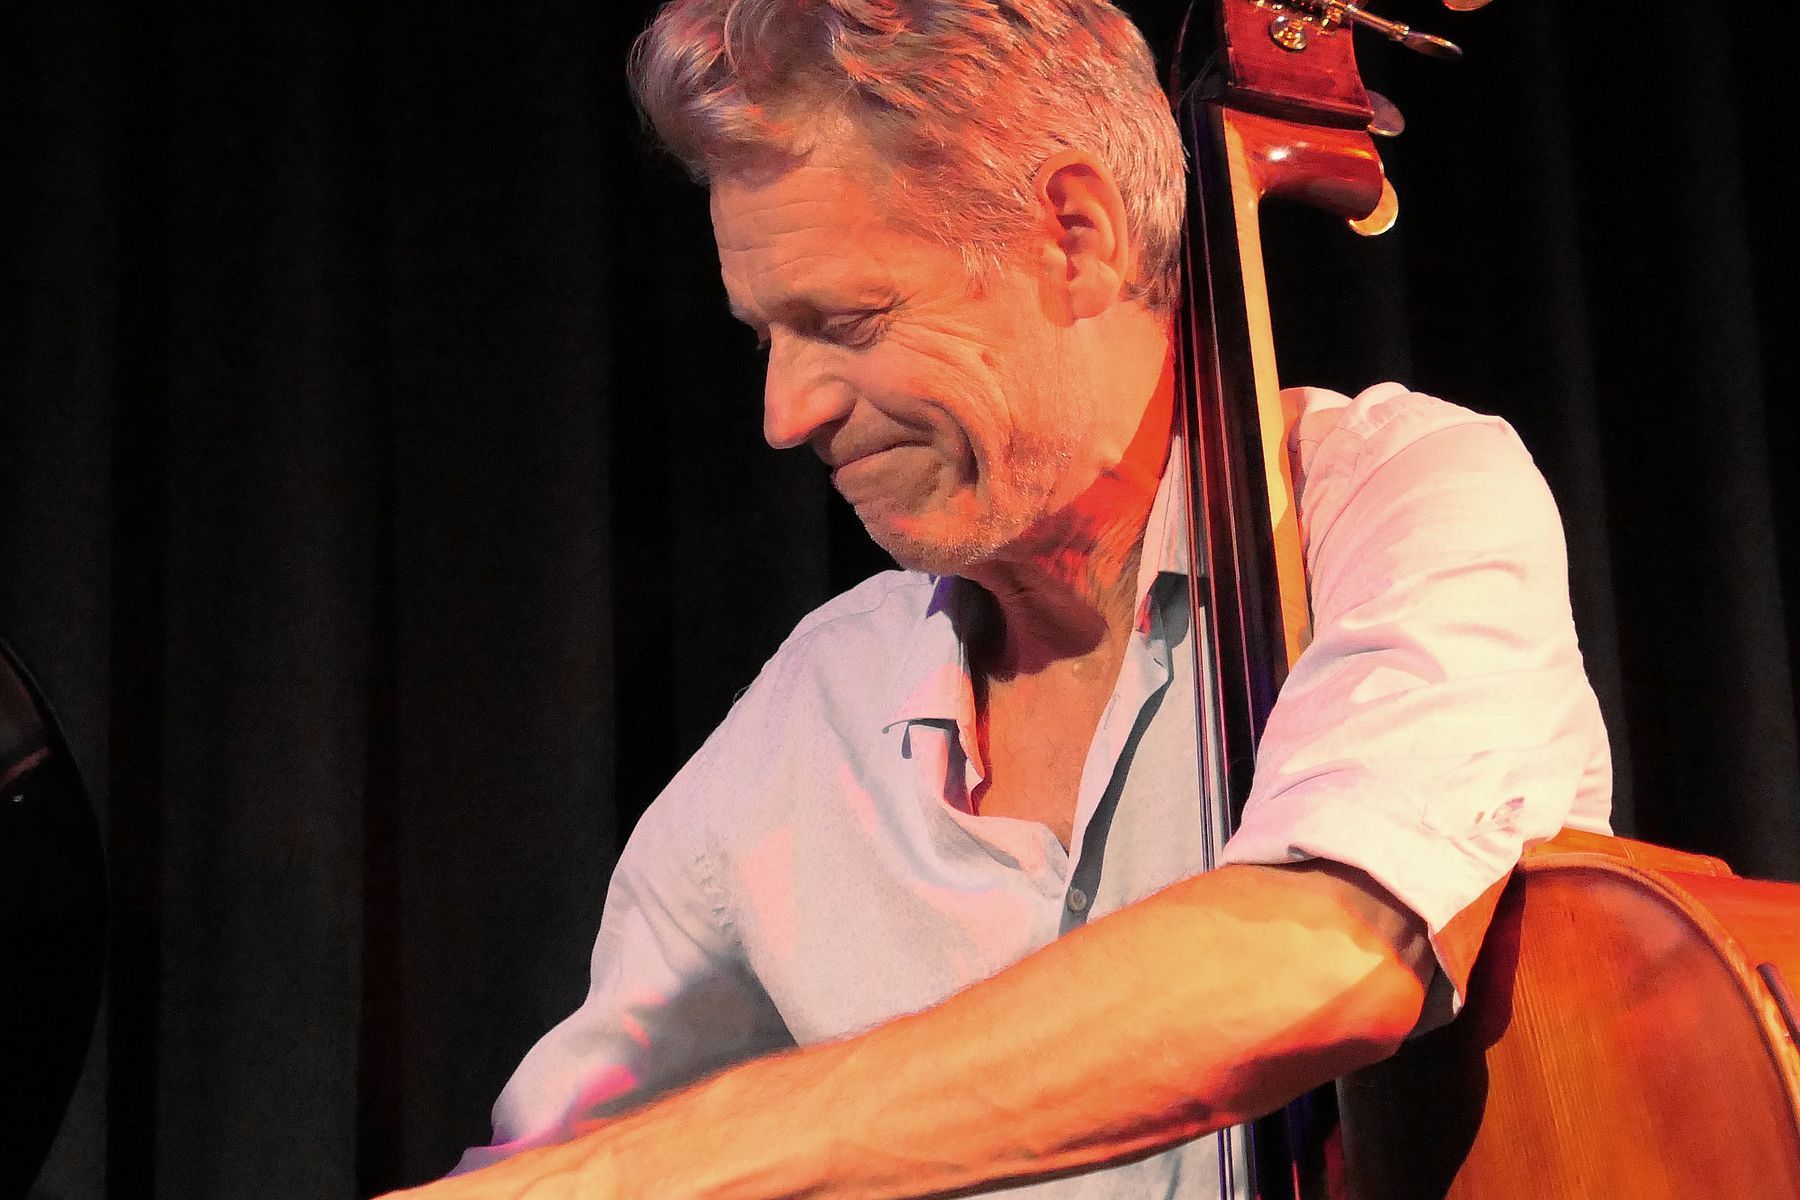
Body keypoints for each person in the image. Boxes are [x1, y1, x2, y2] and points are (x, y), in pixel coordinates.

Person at [386, 2, 1611, 1196]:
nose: (785, 416)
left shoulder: (1390, 502)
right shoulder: (816, 705)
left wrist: (654, 1170)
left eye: (846, 320)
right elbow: (561, 1152)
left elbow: (1327, 952)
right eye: (767, 339)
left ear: (1074, 235)